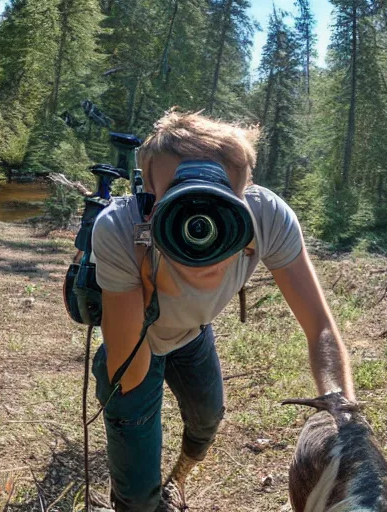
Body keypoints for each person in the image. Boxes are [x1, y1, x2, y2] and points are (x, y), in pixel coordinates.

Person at [91, 109, 356, 512]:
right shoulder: (120, 229)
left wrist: (344, 414)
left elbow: (319, 325)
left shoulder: (267, 216)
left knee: (207, 420)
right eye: (179, 204)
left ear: (245, 189)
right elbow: (131, 372)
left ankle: (176, 479)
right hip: (137, 345)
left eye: (222, 204)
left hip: (194, 335)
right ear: (148, 194)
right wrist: (149, 262)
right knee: (136, 490)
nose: (202, 227)